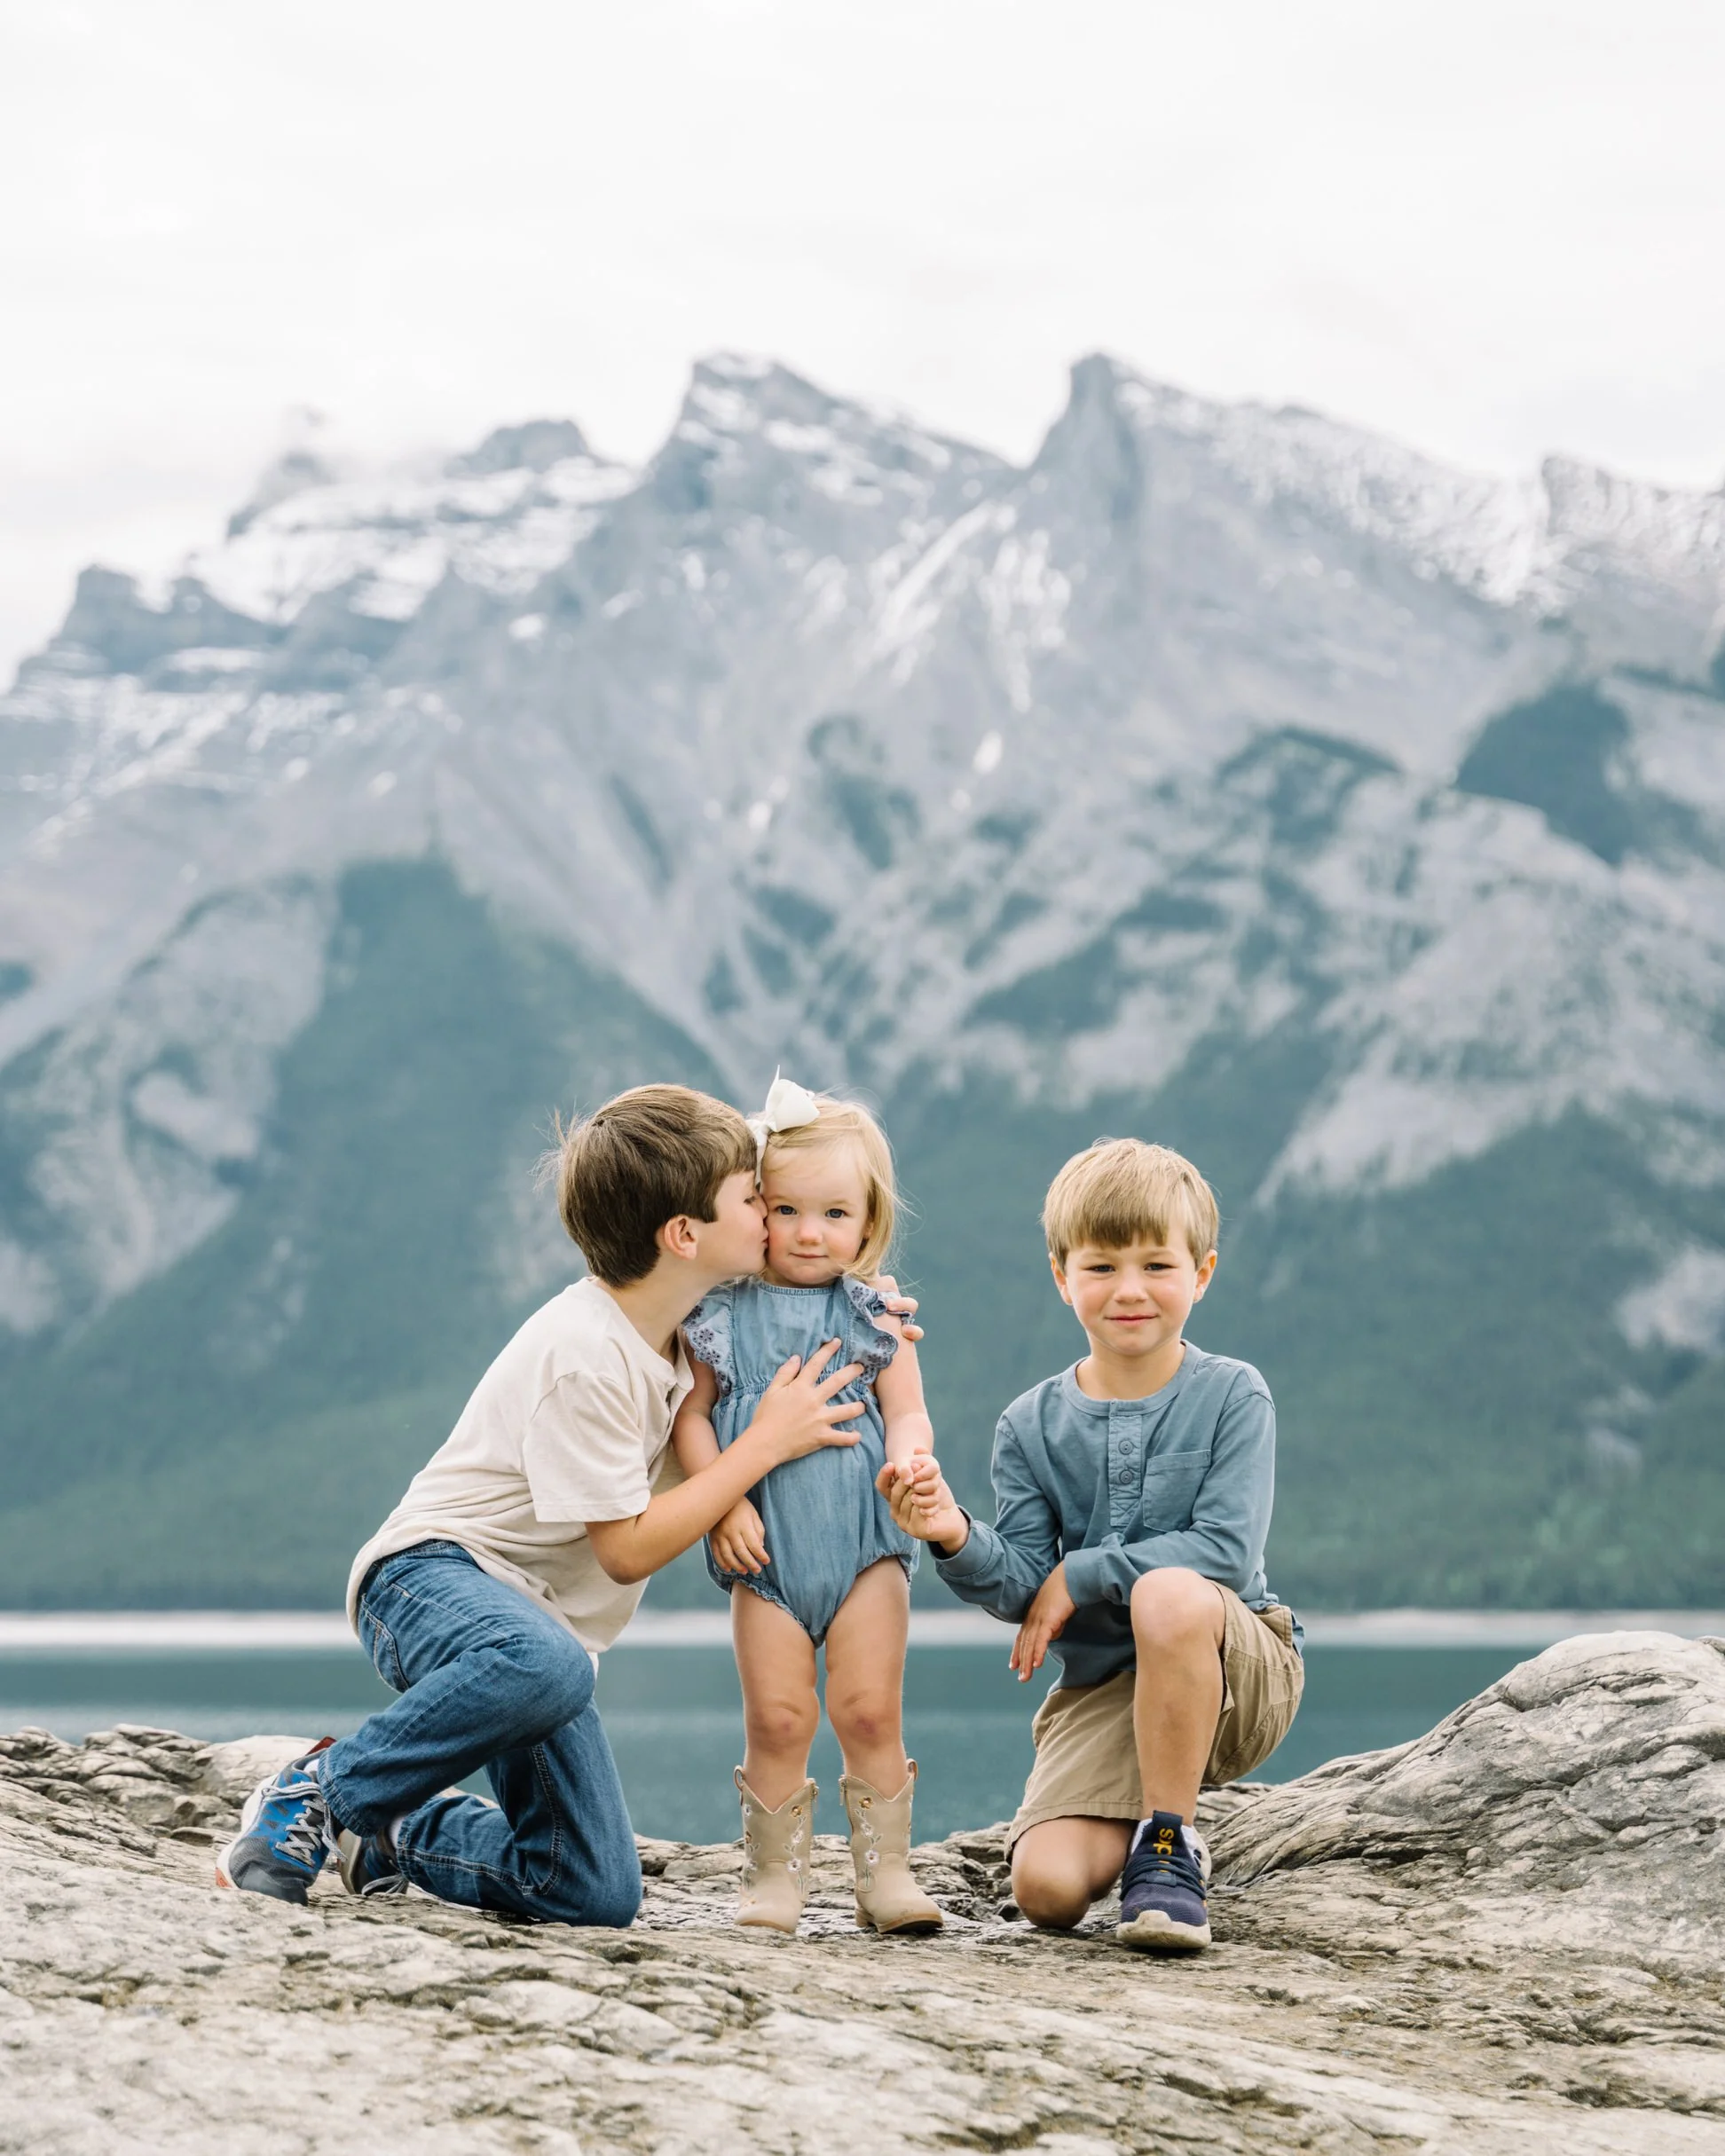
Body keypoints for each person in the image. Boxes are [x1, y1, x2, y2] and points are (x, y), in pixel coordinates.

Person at [217, 1082, 885, 1924]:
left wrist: (875, 1325)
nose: (773, 1216)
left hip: (536, 1646)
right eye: (755, 1201)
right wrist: (760, 1450)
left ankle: (395, 1822)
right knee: (551, 1664)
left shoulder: (695, 1323)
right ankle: (319, 1788)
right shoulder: (585, 1354)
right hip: (429, 1581)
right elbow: (627, 1550)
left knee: (587, 1888)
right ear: (685, 1236)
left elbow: (807, 1277)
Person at [887, 1137, 1302, 1953]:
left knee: (1169, 1591)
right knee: (1046, 1891)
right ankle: (1148, 1812)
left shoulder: (1233, 1395)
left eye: (1157, 1265)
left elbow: (1221, 1551)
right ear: (1061, 1276)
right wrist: (952, 1532)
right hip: (1109, 1687)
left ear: (1202, 1274)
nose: (1130, 1290)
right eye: (1103, 1266)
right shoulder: (1029, 1424)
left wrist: (1087, 1571)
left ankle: (1169, 1843)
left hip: (1238, 1664)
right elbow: (1023, 1588)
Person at [672, 1075, 943, 1936]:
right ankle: (773, 1879)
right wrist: (721, 1509)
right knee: (779, 1716)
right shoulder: (722, 1312)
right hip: (767, 1553)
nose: (809, 1232)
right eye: (786, 1210)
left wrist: (911, 1459)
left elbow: (906, 1408)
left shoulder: (872, 1312)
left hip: (866, 1541)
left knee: (869, 1708)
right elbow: (692, 1418)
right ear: (757, 1210)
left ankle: (886, 1874)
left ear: (868, 1223)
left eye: (834, 1214)